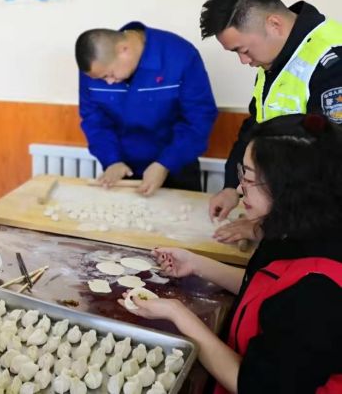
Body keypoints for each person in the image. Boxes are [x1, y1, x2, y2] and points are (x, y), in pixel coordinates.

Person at [121, 113, 342, 393]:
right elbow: (266, 288)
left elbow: (254, 386)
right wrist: (197, 264)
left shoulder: (321, 293)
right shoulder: (293, 228)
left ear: (288, 188)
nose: (239, 188)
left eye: (248, 178)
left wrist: (178, 314)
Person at [201, 0, 342, 242]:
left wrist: (265, 228)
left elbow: (330, 167)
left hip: (319, 230)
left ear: (274, 24)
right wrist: (232, 186)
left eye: (243, 50)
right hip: (287, 219)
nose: (244, 61)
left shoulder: (332, 60)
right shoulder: (275, 59)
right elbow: (257, 127)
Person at [75, 23, 217, 196]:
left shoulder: (180, 55)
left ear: (123, 50)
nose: (109, 82)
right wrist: (111, 160)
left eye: (109, 75)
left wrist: (166, 163)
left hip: (177, 164)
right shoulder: (96, 63)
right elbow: (93, 119)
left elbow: (199, 117)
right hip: (122, 169)